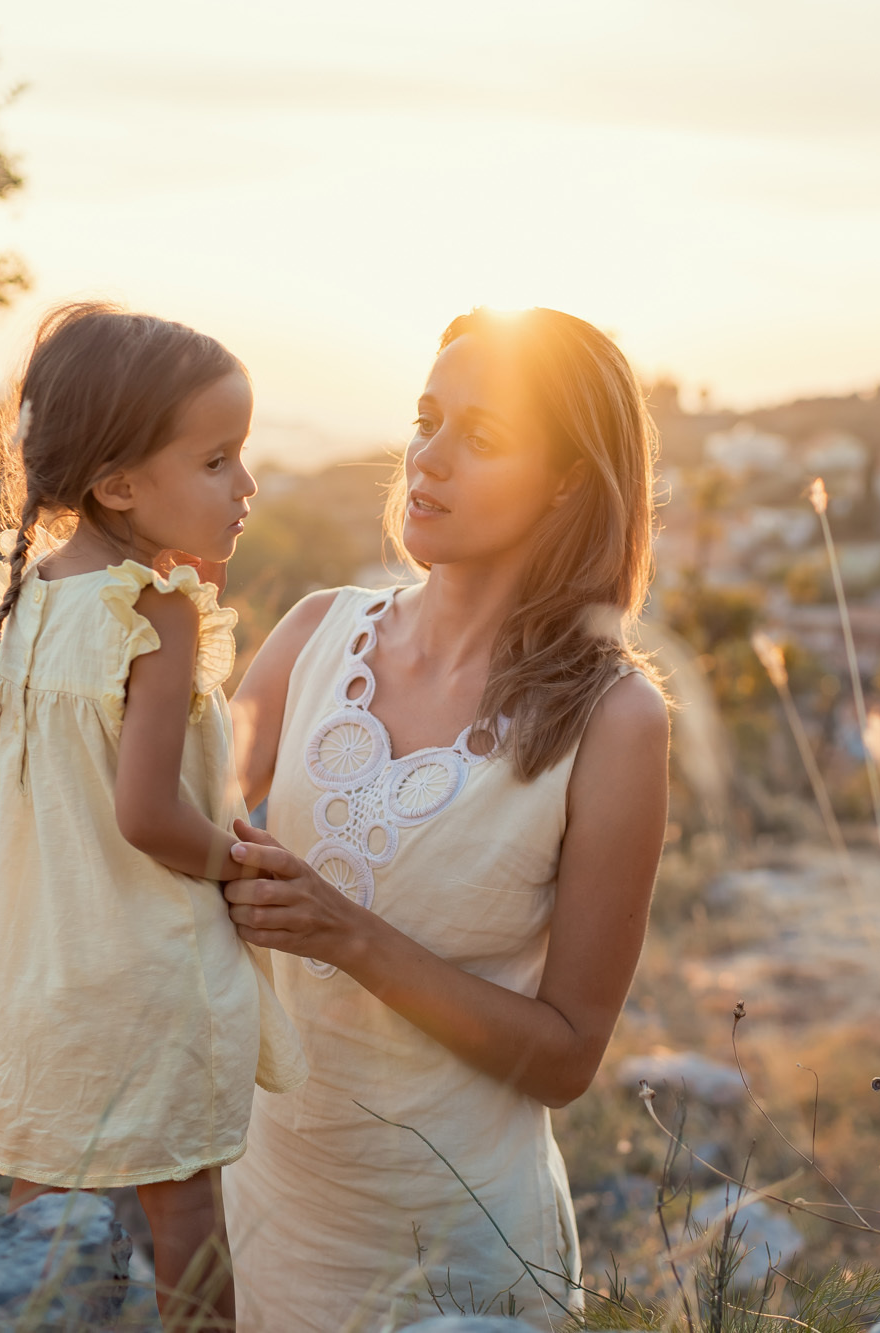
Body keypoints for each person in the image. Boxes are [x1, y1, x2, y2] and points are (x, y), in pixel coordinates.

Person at [220, 307, 671, 1330]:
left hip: (459, 1246)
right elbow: (171, 841)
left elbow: (564, 1058)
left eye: (483, 436)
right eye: (427, 418)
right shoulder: (311, 634)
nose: (428, 458)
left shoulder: (613, 718)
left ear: (567, 478)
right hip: (264, 1212)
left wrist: (349, 936)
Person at [0, 302, 305, 1326]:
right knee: (183, 1204)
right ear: (117, 484)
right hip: (142, 972)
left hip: (34, 973)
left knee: (41, 1220)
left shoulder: (31, 599)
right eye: (218, 460)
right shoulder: (156, 609)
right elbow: (146, 815)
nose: (247, 486)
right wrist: (241, 862)